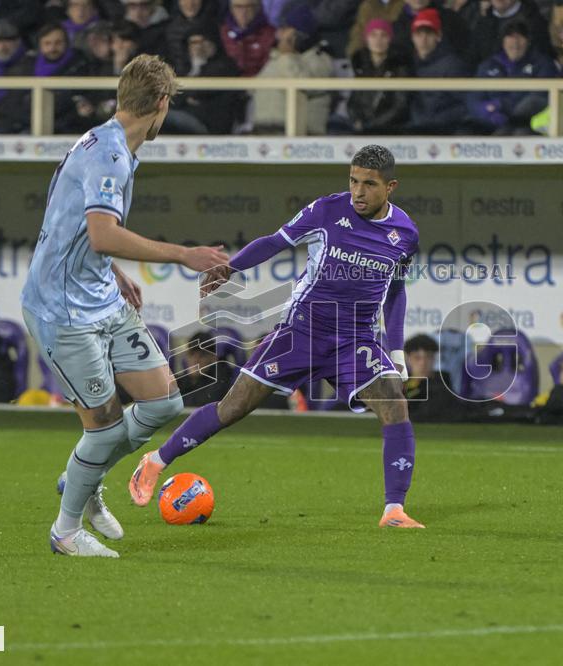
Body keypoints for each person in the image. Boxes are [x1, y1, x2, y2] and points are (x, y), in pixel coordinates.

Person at [129, 145, 427, 529]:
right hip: (300, 332)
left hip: (355, 340)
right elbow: (275, 241)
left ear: (391, 187)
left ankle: (394, 511)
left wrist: (397, 352)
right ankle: (155, 461)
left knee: (394, 404)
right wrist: (230, 267)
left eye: (369, 184)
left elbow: (397, 290)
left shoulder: (404, 233)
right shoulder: (327, 211)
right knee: (232, 408)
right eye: (353, 181)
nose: (358, 192)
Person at [21, 54, 229, 558]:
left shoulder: (100, 141)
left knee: (164, 401)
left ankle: (80, 473)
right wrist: (184, 254)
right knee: (105, 427)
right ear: (162, 105)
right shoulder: (110, 154)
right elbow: (100, 232)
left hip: (101, 298)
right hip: (63, 310)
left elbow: (67, 219)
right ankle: (67, 530)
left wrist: (109, 268)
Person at [252, 3, 334, 134]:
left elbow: (303, 85)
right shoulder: (276, 57)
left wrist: (287, 56)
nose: (279, 35)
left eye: (285, 30)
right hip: (265, 130)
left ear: (300, 34)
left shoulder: (321, 60)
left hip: (300, 136)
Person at [468, 19, 557, 135]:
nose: (515, 42)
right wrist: (488, 114)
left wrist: (501, 105)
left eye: (520, 37)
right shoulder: (488, 65)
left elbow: (537, 99)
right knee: (466, 131)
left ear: (528, 41)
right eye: (510, 36)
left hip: (528, 123)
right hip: (490, 122)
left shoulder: (542, 63)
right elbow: (474, 98)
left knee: (517, 133)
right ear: (503, 41)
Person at [166, 25, 245, 134]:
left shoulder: (225, 66)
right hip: (184, 115)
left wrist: (185, 97)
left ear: (214, 43)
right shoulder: (183, 69)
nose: (199, 47)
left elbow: (201, 92)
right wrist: (187, 98)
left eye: (204, 42)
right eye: (194, 43)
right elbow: (169, 96)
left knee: (158, 116)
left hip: (208, 124)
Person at [407, 8, 470, 134]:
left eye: (429, 34)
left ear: (438, 36)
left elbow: (465, 104)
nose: (423, 40)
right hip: (416, 129)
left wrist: (433, 120)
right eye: (419, 34)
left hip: (446, 130)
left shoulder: (452, 65)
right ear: (412, 37)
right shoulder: (408, 64)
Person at [345, 18, 411, 134]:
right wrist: (356, 120)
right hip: (362, 128)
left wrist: (371, 125)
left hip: (391, 130)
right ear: (367, 39)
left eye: (383, 35)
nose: (378, 40)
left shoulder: (399, 65)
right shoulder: (359, 64)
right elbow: (353, 100)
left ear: (389, 39)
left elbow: (400, 105)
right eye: (373, 35)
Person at [402, 334, 468, 422]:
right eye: (417, 358)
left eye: (428, 357)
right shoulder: (402, 384)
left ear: (434, 358)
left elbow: (456, 407)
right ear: (408, 359)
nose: (423, 363)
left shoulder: (442, 381)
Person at [175, 330, 236, 407]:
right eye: (191, 354)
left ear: (214, 358)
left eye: (202, 355)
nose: (195, 360)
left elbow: (204, 404)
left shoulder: (222, 379)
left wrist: (192, 380)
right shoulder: (180, 380)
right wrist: (191, 379)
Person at [220, 0, 276, 76]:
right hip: (228, 82)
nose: (243, 12)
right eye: (238, 7)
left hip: (259, 82)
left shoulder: (270, 34)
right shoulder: (222, 32)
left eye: (249, 7)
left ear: (257, 8)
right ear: (231, 9)